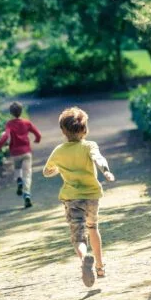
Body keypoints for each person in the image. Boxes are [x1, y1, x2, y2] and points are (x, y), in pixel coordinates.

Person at [43, 107, 115, 287]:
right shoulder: (89, 145)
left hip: (72, 198)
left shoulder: (58, 151)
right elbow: (99, 159)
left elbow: (46, 171)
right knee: (93, 227)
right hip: (92, 196)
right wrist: (106, 172)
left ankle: (84, 259)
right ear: (84, 129)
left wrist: (58, 168)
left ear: (63, 131)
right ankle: (100, 267)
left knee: (78, 237)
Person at [0, 101, 42, 208]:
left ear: (11, 113)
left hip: (15, 153)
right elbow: (38, 134)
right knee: (27, 174)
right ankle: (27, 194)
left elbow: (5, 137)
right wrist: (37, 140)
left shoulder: (9, 124)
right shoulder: (27, 123)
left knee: (17, 169)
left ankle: (19, 181)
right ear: (21, 111)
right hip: (26, 152)